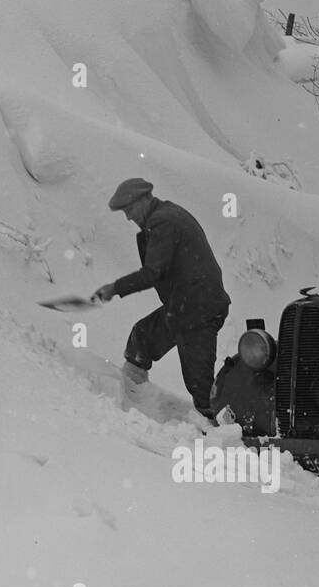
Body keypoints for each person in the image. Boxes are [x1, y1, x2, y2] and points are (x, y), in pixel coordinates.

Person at [92, 178, 230, 422]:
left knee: (201, 386)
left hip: (200, 309)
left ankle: (219, 432)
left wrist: (114, 288)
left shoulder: (163, 221)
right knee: (143, 338)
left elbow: (153, 272)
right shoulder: (165, 216)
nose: (128, 217)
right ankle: (135, 401)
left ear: (144, 200)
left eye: (129, 209)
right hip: (184, 306)